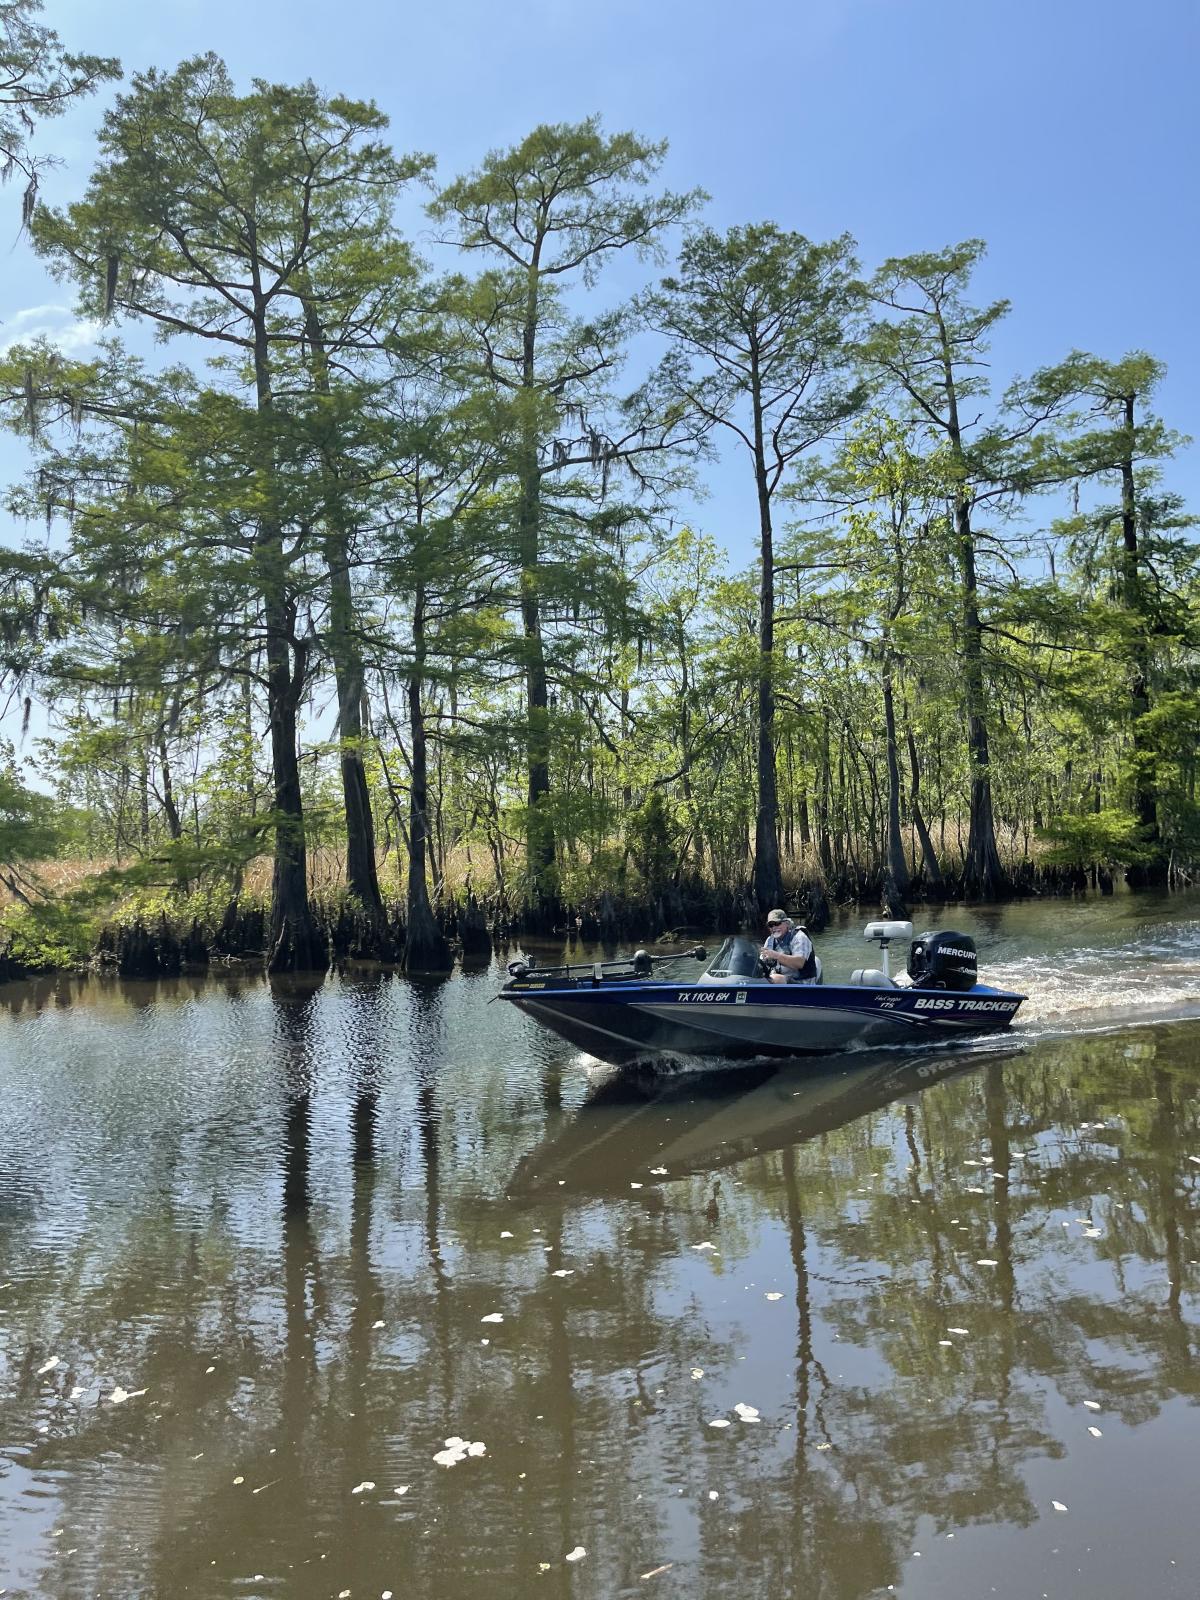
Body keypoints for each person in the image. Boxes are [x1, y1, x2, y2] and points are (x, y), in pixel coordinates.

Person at [760, 910, 817, 984]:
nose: (774, 927)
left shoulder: (799, 937)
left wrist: (776, 956)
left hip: (802, 982)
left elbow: (799, 963)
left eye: (777, 923)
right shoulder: (769, 940)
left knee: (775, 979)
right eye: (771, 925)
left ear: (787, 923)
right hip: (779, 978)